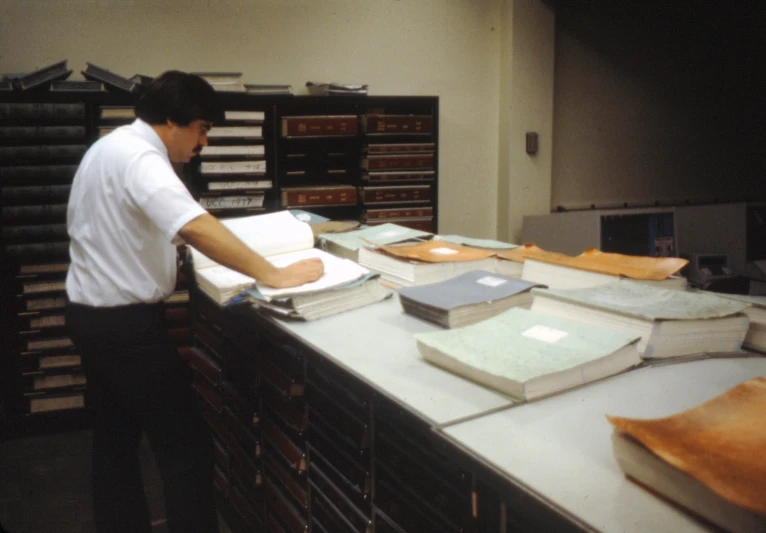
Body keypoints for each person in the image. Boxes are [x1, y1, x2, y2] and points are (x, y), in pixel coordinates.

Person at [65, 70, 323, 533]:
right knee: (187, 449)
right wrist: (273, 273)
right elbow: (194, 226)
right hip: (128, 330)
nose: (202, 143)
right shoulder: (143, 158)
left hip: (91, 319)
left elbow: (129, 228)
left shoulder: (109, 147)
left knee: (115, 445)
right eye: (202, 129)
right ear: (173, 120)